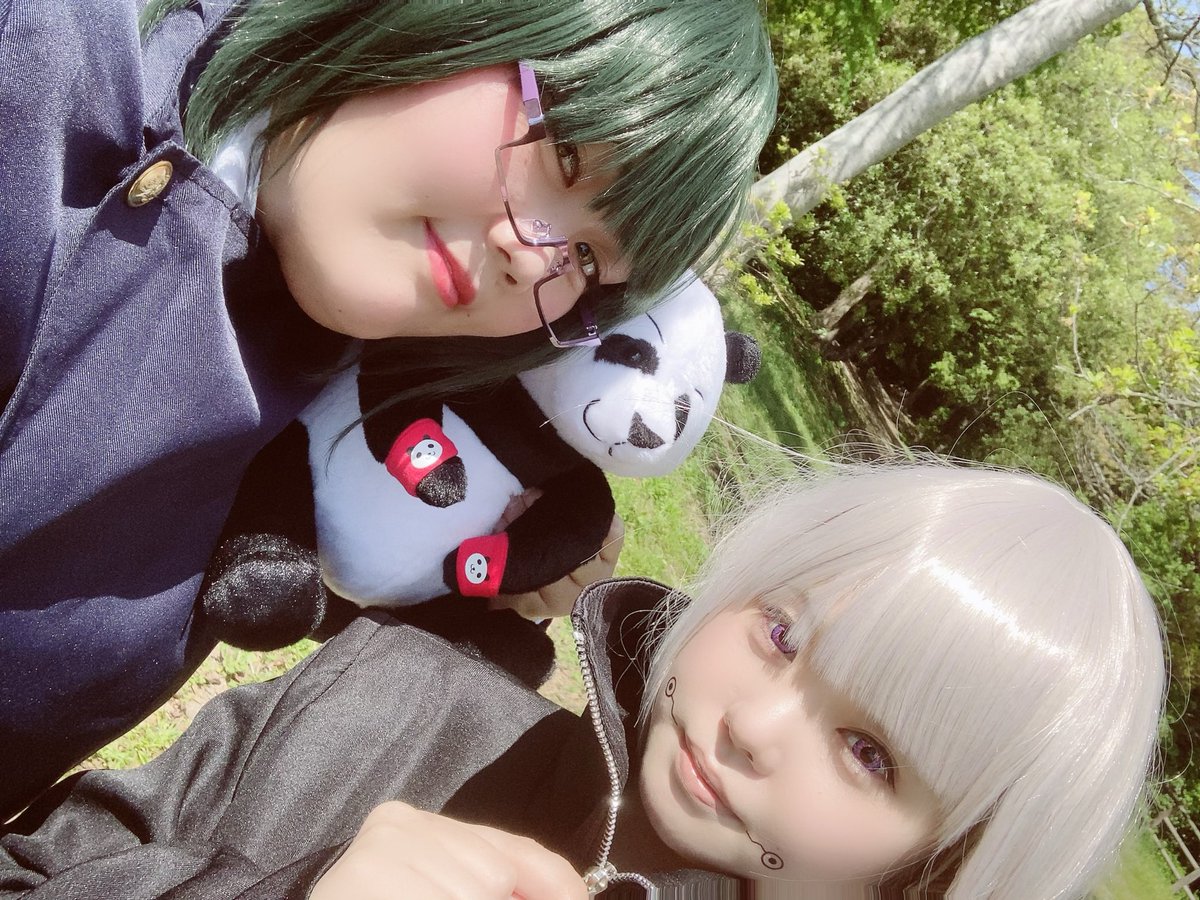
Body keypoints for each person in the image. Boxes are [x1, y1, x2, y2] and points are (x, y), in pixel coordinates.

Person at [0, 0, 777, 817]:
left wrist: (458, 593)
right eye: (566, 153)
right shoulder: (39, 75)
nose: (534, 260)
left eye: (587, 258)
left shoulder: (337, 375)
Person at [0, 464, 1165, 898]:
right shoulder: (389, 695)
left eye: (870, 754)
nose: (757, 726)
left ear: (935, 869)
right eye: (782, 633)